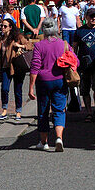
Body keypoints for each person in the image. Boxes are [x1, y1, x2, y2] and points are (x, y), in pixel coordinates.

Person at [29, 18, 68, 151]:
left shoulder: (39, 46)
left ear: (43, 30)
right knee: (59, 110)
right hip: (60, 80)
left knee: (43, 111)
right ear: (56, 29)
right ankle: (59, 138)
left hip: (43, 81)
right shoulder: (63, 44)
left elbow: (34, 67)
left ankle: (44, 142)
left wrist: (31, 87)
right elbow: (75, 61)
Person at [73, 8, 95, 120]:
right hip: (83, 66)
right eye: (91, 16)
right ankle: (88, 111)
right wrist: (73, 64)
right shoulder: (79, 31)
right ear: (86, 18)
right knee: (85, 89)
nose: (93, 18)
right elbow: (74, 48)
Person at [0, 18, 29, 120]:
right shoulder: (1, 40)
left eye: (5, 26)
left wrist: (20, 45)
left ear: (10, 27)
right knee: (4, 89)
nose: (2, 28)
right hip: (5, 67)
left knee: (17, 90)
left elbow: (30, 45)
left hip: (17, 67)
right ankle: (4, 110)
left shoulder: (18, 37)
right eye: (2, 26)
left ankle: (18, 111)